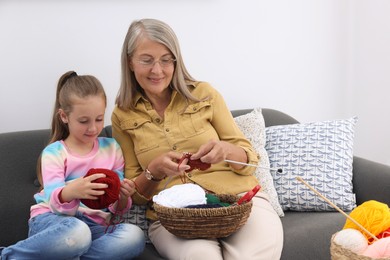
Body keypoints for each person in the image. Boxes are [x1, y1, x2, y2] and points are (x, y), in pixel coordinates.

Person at [112, 18, 283, 260]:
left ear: (176, 60)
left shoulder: (204, 94)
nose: (157, 70)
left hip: (240, 202)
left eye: (165, 60)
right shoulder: (123, 115)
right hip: (175, 218)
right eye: (146, 60)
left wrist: (226, 150)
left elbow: (250, 160)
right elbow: (135, 195)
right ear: (130, 62)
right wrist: (154, 170)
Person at [0, 71, 145, 259]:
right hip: (55, 222)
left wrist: (123, 197)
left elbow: (115, 208)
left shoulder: (112, 148)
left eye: (99, 119)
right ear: (64, 116)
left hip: (95, 227)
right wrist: (74, 190)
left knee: (134, 235)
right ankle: (8, 256)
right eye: (84, 121)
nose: (93, 128)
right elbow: (54, 202)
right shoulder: (55, 152)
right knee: (78, 232)